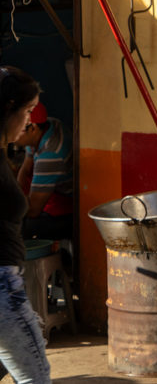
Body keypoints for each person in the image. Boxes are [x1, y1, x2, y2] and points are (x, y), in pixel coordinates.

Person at [0, 65, 52, 383]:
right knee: (35, 374)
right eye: (28, 110)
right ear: (8, 109)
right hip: (3, 285)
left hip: (7, 283)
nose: (30, 120)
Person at [15, 101, 73, 242]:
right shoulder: (46, 125)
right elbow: (26, 168)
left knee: (23, 229)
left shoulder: (50, 155)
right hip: (51, 187)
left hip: (68, 205)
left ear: (33, 129)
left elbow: (34, 210)